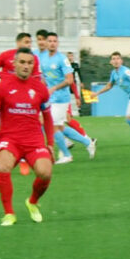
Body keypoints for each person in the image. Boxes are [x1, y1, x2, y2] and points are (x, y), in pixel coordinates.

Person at [0, 48, 55, 226]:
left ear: (34, 66)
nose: (26, 66)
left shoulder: (40, 88)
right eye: (22, 62)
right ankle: (9, 213)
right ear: (14, 64)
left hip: (34, 140)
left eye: (29, 63)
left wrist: (50, 143)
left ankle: (32, 202)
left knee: (45, 173)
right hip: (10, 139)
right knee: (3, 166)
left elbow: (47, 117)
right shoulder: (3, 86)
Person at [0, 32, 43, 176]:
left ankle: (23, 161)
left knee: (25, 129)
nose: (29, 45)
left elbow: (37, 79)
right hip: (6, 98)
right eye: (26, 42)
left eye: (30, 42)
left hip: (25, 98)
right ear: (18, 43)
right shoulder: (5, 56)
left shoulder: (33, 59)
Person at [39, 32, 96, 163]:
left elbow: (69, 80)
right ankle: (87, 142)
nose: (52, 43)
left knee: (51, 126)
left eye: (55, 41)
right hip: (50, 98)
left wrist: (54, 88)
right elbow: (44, 78)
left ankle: (66, 155)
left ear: (57, 43)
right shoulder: (44, 59)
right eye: (50, 41)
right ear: (47, 43)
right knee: (59, 127)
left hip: (60, 98)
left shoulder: (62, 59)